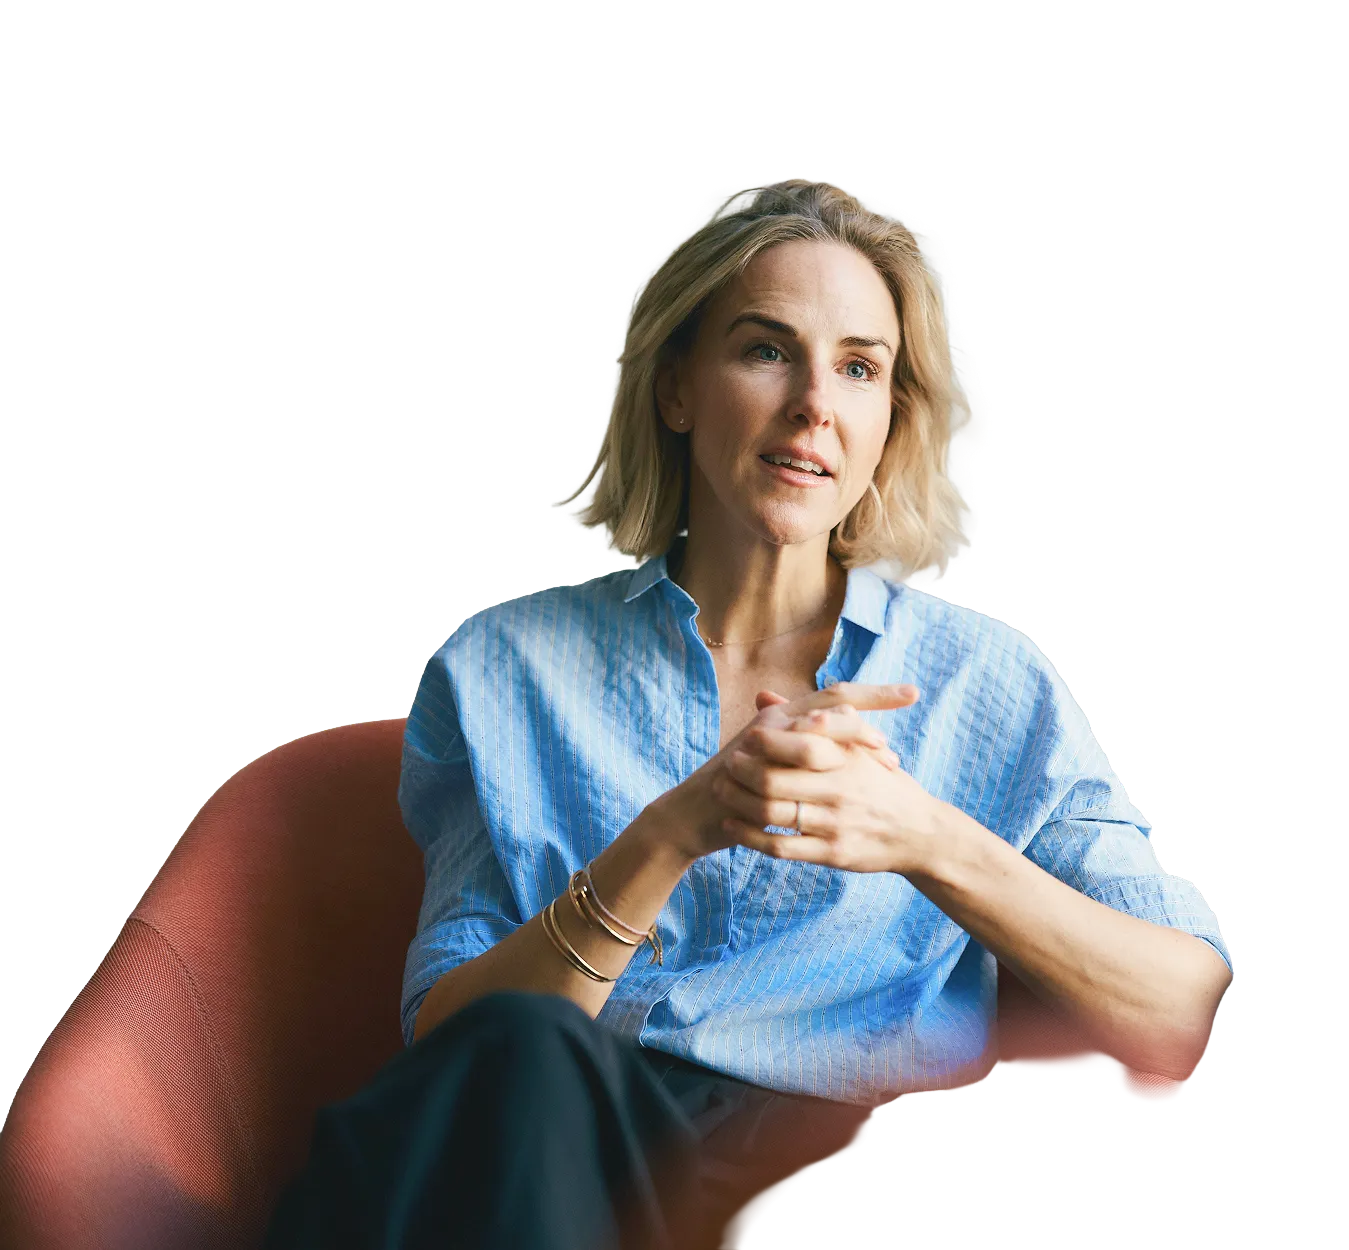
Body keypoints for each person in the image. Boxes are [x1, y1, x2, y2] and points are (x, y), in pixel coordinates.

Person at [262, 178, 1234, 1250]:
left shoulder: (989, 682)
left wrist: (922, 835)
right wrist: (673, 832)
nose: (815, 403)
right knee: (518, 1057)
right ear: (676, 386)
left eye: (859, 367)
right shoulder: (503, 666)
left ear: (889, 420)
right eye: (767, 350)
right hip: (565, 1155)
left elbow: (1184, 1008)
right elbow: (452, 1046)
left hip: (844, 1164)